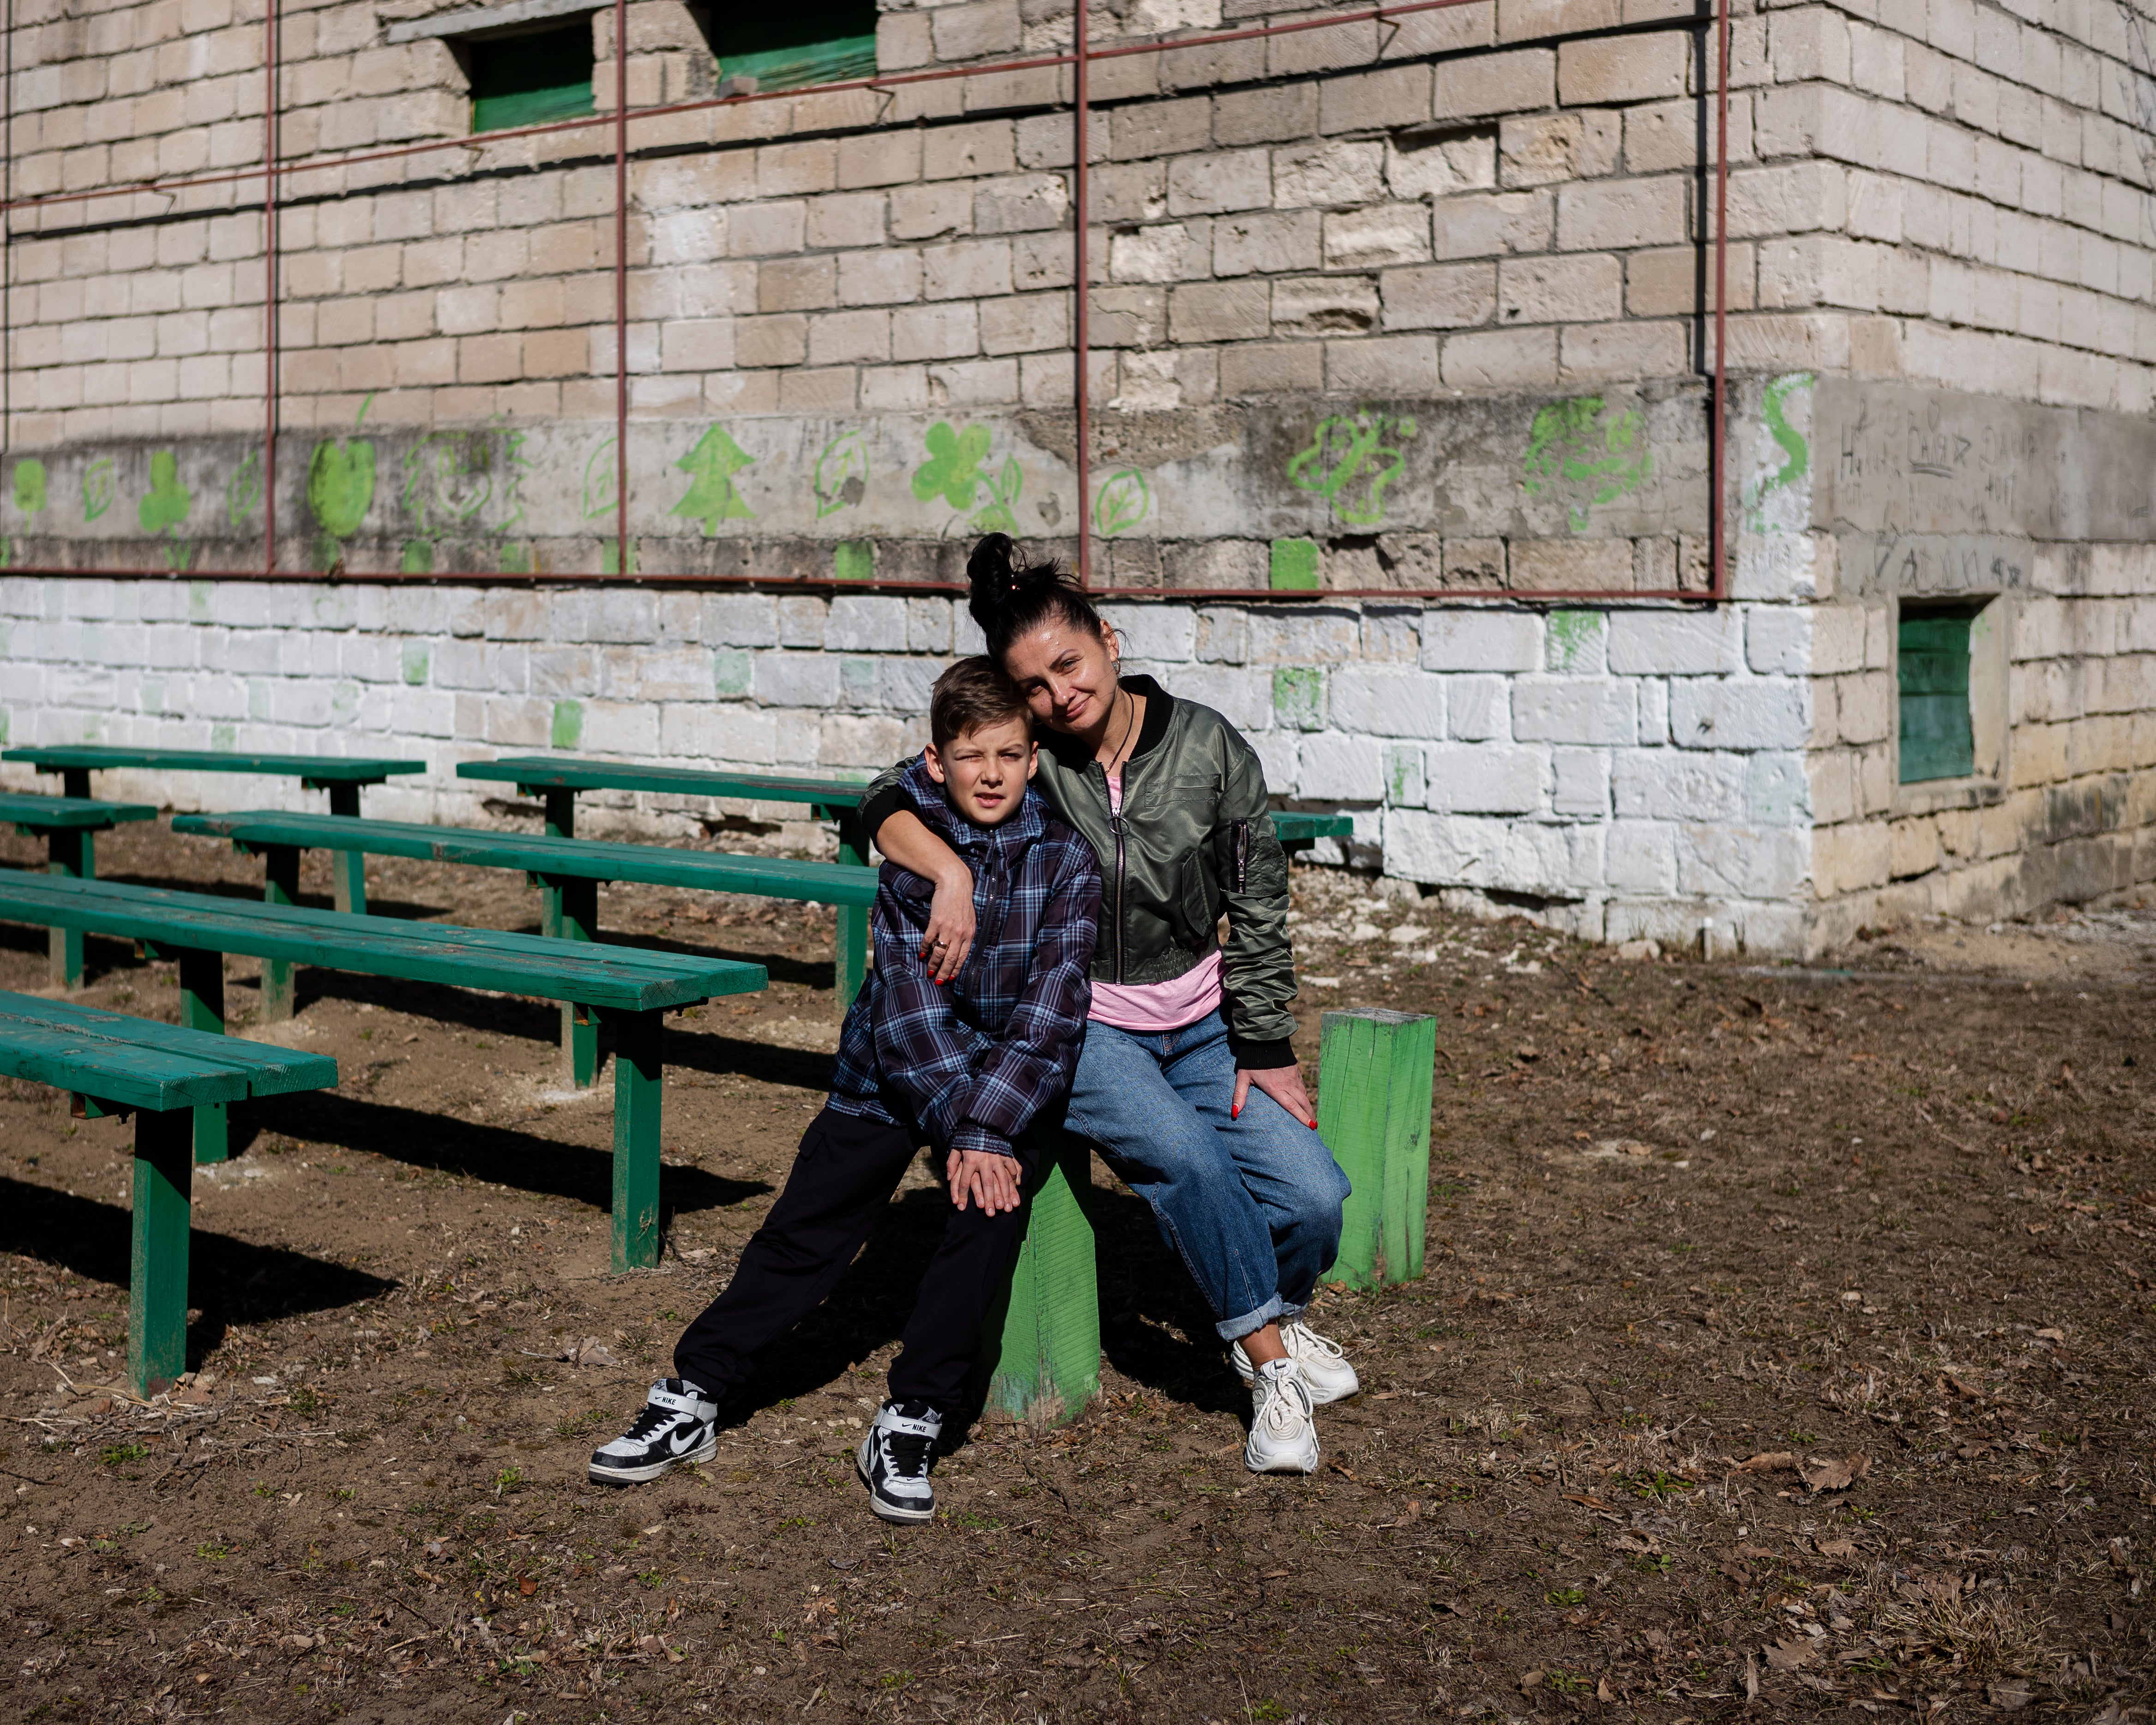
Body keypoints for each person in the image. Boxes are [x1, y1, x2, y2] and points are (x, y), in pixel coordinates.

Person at [857, 534, 1356, 1475]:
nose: (1056, 694)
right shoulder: (1035, 756)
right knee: (1183, 1156)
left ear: (1111, 642)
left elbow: (1257, 895)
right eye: (1033, 684)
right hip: (1080, 1022)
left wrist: (1262, 1041)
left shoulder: (1209, 747)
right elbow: (883, 796)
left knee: (1314, 1197)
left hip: (1205, 1022)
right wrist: (954, 871)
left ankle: (1272, 1322)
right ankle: (1270, 1368)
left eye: (1068, 664)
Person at [589, 657, 1102, 1523]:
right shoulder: (917, 852)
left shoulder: (1067, 862)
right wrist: (965, 1129)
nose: (991, 774)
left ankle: (914, 1414)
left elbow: (1054, 1013)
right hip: (891, 1070)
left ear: (1033, 758)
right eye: (971, 756)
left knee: (988, 1217)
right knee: (805, 1231)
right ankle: (698, 1389)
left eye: (1010, 756)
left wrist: (984, 1131)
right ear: (934, 763)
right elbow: (905, 1007)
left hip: (1000, 1085)